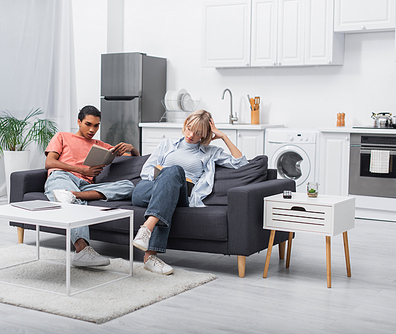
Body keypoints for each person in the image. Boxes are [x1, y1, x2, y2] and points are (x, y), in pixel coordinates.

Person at [131, 109, 248, 275]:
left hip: (181, 195)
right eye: (189, 128)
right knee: (169, 178)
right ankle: (149, 255)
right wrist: (163, 179)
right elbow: (146, 171)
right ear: (185, 125)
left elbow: (241, 163)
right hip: (147, 189)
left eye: (198, 132)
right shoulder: (167, 144)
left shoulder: (210, 152)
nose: (191, 134)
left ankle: (146, 231)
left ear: (205, 134)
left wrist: (223, 137)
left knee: (174, 173)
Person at [44, 105, 139, 267]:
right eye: (88, 124)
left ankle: (71, 195)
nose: (92, 129)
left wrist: (133, 149)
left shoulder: (100, 145)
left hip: (84, 187)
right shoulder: (62, 136)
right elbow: (49, 162)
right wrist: (82, 170)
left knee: (129, 186)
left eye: (96, 125)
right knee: (73, 204)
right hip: (62, 176)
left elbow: (135, 159)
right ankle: (82, 251)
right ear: (79, 122)